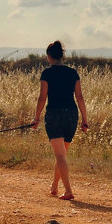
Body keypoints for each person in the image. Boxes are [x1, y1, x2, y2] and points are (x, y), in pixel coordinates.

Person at [30, 40, 90, 200]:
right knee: (61, 154)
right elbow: (80, 97)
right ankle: (54, 187)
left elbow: (42, 97)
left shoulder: (47, 73)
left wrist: (36, 117)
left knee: (60, 155)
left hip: (54, 115)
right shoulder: (73, 73)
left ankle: (69, 191)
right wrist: (85, 119)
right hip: (71, 114)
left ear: (49, 56)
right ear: (62, 56)